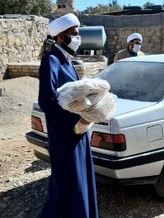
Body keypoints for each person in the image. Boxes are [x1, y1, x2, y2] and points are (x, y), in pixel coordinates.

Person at [37, 13, 98, 218]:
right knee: (68, 185)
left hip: (78, 132)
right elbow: (47, 100)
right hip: (65, 134)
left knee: (80, 180)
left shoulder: (68, 61)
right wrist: (74, 122)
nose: (78, 38)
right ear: (61, 36)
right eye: (74, 34)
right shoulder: (51, 60)